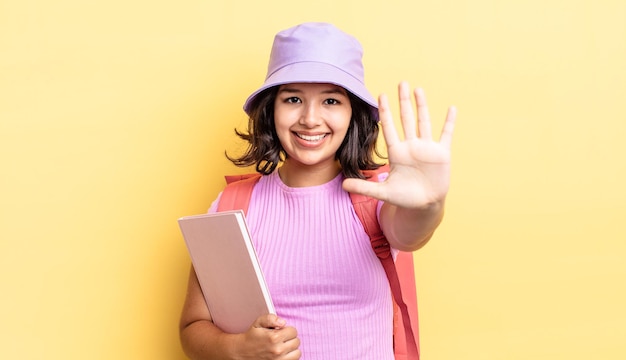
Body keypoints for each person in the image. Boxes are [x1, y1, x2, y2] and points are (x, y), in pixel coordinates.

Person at [179, 22, 457, 360]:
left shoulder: (380, 197)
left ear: (352, 113)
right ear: (271, 109)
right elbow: (194, 327)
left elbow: (409, 233)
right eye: (293, 98)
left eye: (331, 100)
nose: (310, 119)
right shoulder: (233, 205)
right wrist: (237, 348)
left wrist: (429, 206)